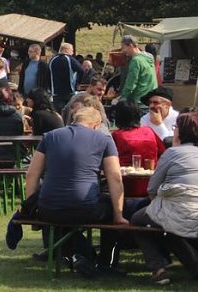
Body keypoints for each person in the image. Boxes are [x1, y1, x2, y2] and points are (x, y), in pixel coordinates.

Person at [25, 107, 128, 277]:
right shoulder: (103, 139)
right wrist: (119, 215)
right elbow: (115, 178)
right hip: (84, 207)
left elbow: (32, 174)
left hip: (48, 208)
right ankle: (105, 263)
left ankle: (81, 255)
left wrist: (30, 208)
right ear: (96, 125)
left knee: (63, 218)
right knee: (110, 209)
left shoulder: (49, 137)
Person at [130, 112, 198, 284]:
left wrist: (159, 202)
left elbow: (152, 188)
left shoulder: (172, 153)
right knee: (168, 226)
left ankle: (158, 268)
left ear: (181, 132)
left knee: (137, 220)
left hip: (175, 208)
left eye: (175, 127)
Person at [111, 101, 165, 198]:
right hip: (152, 185)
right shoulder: (149, 131)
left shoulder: (117, 135)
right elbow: (163, 152)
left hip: (126, 187)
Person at [119, 35, 157, 104]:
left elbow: (130, 84)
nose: (123, 51)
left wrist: (122, 98)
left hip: (139, 101)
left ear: (130, 46)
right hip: (152, 99)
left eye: (123, 47)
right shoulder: (149, 57)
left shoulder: (136, 61)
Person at [48, 42, 84, 113]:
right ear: (67, 50)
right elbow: (81, 70)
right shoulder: (70, 59)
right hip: (69, 91)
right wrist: (78, 82)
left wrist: (51, 88)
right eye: (72, 50)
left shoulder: (52, 60)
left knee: (59, 113)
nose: (73, 53)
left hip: (56, 92)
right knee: (69, 113)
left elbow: (48, 75)